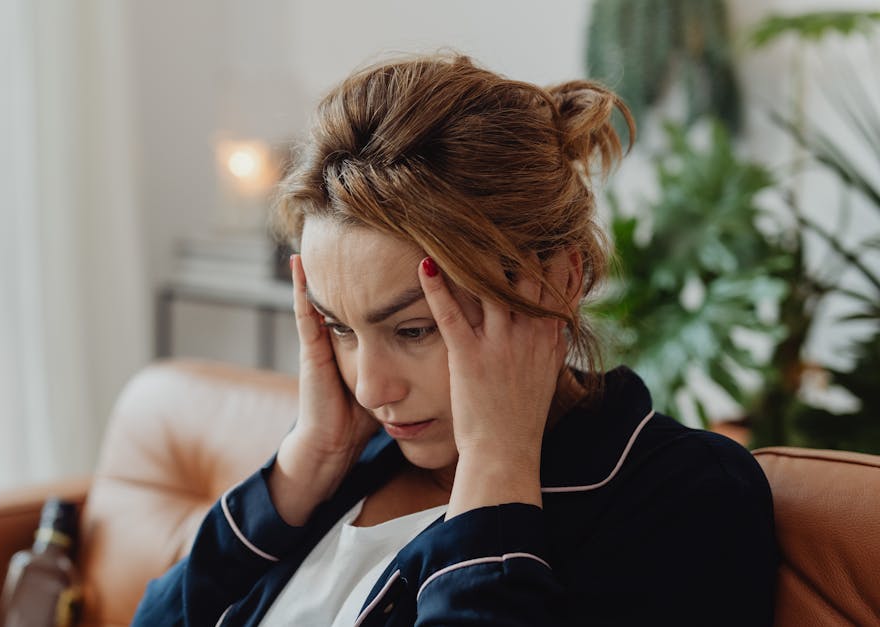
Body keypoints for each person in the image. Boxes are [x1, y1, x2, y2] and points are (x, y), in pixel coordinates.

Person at [132, 53, 777, 626]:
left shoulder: (683, 497)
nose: (372, 388)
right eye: (340, 327)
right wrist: (303, 467)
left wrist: (497, 464)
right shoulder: (352, 464)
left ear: (557, 282)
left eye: (414, 329)